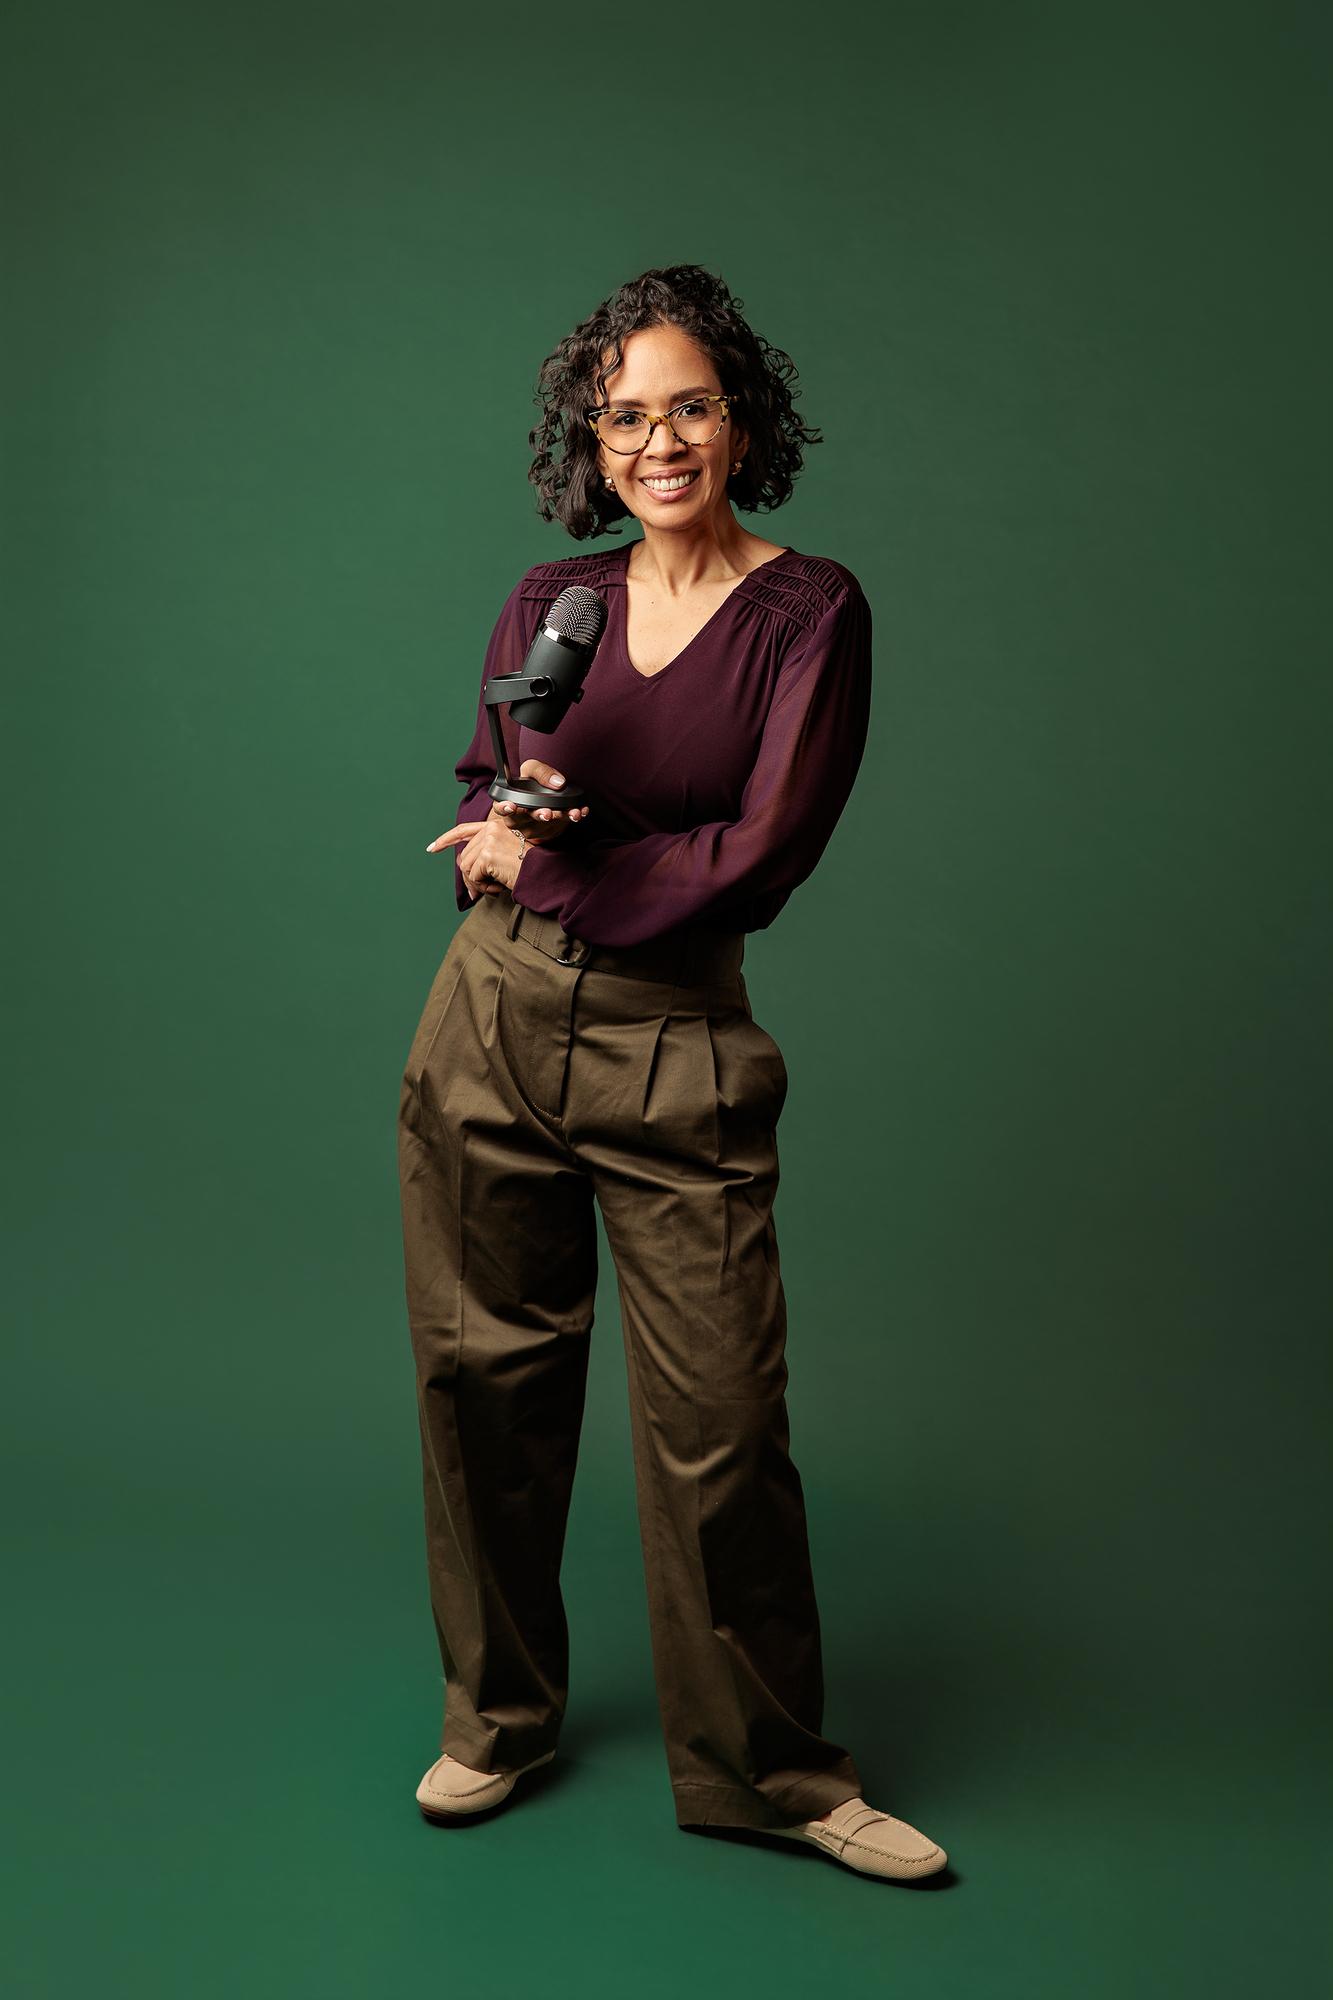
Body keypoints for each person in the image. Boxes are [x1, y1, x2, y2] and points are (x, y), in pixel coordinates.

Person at [397, 265, 948, 1882]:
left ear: (741, 418)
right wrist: (526, 825)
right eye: (625, 415)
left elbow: (758, 855)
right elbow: (492, 787)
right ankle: (495, 1718)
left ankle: (773, 1770)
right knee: (480, 1384)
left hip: (673, 1040)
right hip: (488, 1023)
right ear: (593, 437)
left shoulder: (809, 611)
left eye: (687, 406)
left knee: (719, 1424)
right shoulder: (547, 599)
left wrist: (544, 861)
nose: (657, 442)